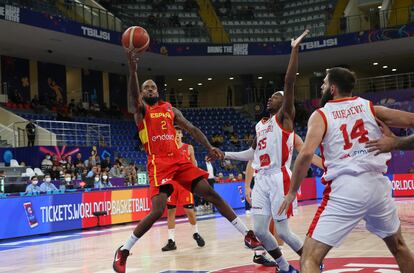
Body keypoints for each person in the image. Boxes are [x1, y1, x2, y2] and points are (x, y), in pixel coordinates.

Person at [113, 51, 262, 273]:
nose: (150, 90)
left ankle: (247, 235)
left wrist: (209, 147)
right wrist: (133, 70)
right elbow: (134, 95)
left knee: (211, 194)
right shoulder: (141, 111)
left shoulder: (170, 110)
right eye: (146, 88)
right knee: (157, 210)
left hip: (179, 162)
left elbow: (191, 129)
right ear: (142, 94)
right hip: (158, 163)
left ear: (158, 91)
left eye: (153, 87)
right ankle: (124, 250)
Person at [278, 67, 414, 273]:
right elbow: (412, 120)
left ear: (332, 89)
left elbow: (305, 154)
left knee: (310, 257)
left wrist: (291, 192)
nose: (321, 86)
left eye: (324, 83)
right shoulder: (370, 108)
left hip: (346, 188)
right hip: (377, 186)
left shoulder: (321, 114)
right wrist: (396, 142)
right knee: (399, 246)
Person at [221, 30, 322, 273]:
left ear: (283, 102)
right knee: (259, 230)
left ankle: (313, 263)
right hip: (262, 179)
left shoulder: (284, 118)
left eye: (274, 97)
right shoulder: (260, 125)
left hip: (279, 177)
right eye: (270, 97)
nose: (270, 99)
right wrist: (224, 154)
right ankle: (284, 266)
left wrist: (294, 50)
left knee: (284, 231)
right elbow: (250, 154)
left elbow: (289, 83)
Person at [161, 127, 205, 251]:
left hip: (185, 183)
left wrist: (196, 179)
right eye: (175, 133)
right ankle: (171, 241)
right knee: (171, 212)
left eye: (179, 133)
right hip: (172, 184)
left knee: (189, 212)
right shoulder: (168, 148)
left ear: (182, 135)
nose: (178, 135)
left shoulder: (189, 148)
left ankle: (195, 233)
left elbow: (194, 164)